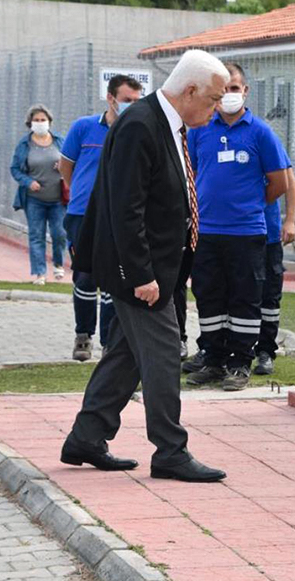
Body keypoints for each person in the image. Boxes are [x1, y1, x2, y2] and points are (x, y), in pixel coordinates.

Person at [60, 49, 229, 483]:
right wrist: (142, 276)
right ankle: (171, 451)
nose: (215, 109)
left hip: (164, 268)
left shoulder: (166, 123)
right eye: (212, 99)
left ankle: (86, 436)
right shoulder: (141, 125)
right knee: (162, 355)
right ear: (189, 90)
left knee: (126, 356)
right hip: (142, 273)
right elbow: (125, 209)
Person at [184, 62, 290, 391]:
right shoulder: (201, 130)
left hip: (247, 233)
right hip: (207, 232)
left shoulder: (260, 133)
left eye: (235, 88)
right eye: (224, 89)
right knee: (209, 298)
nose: (229, 94)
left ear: (245, 91)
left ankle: (240, 363)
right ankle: (213, 359)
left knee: (245, 299)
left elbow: (279, 183)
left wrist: (249, 206)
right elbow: (193, 176)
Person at [60, 75, 143, 362]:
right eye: (126, 100)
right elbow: (66, 167)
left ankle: (110, 341)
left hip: (118, 218)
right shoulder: (83, 128)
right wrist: (86, 194)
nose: (132, 105)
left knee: (113, 281)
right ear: (110, 98)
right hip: (82, 215)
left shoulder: (137, 131)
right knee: (85, 278)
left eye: (136, 100)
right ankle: (83, 336)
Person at [10, 104, 66, 286]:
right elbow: (15, 169)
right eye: (36, 120)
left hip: (58, 199)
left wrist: (62, 166)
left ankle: (58, 263)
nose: (40, 123)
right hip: (34, 200)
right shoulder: (24, 145)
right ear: (30, 123)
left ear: (49, 121)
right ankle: (39, 273)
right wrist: (28, 182)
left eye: (43, 120)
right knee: (36, 235)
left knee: (59, 234)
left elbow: (71, 161)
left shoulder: (59, 141)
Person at [254, 164, 295, 375]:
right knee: (233, 295)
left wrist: (290, 220)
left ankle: (265, 351)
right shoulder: (211, 133)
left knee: (269, 294)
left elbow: (287, 181)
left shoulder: (264, 136)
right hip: (233, 233)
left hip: (267, 232)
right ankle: (223, 353)